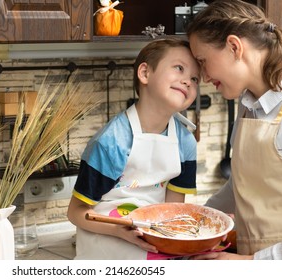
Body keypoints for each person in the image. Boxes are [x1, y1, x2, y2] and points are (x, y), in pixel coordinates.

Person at [67, 38, 201, 259]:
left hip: (150, 232)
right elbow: (75, 213)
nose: (188, 81)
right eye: (179, 68)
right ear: (145, 73)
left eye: (195, 78)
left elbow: (172, 212)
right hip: (105, 236)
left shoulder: (185, 143)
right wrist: (118, 230)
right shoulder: (112, 142)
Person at [186, 0, 282, 260]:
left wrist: (248, 263)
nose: (204, 76)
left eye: (203, 61)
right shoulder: (248, 105)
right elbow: (240, 185)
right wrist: (192, 225)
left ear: (234, 47)